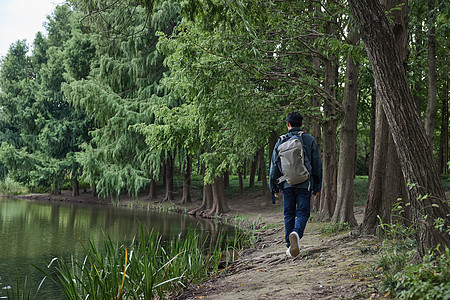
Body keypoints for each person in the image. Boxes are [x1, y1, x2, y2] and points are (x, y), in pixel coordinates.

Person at [269, 111, 322, 258]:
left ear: (287, 124)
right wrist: (317, 185)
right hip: (305, 183)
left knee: (288, 214)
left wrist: (273, 186)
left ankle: (289, 247)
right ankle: (296, 233)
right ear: (301, 124)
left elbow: (274, 165)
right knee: (303, 213)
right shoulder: (308, 139)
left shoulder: (280, 141)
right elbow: (317, 164)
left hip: (287, 184)